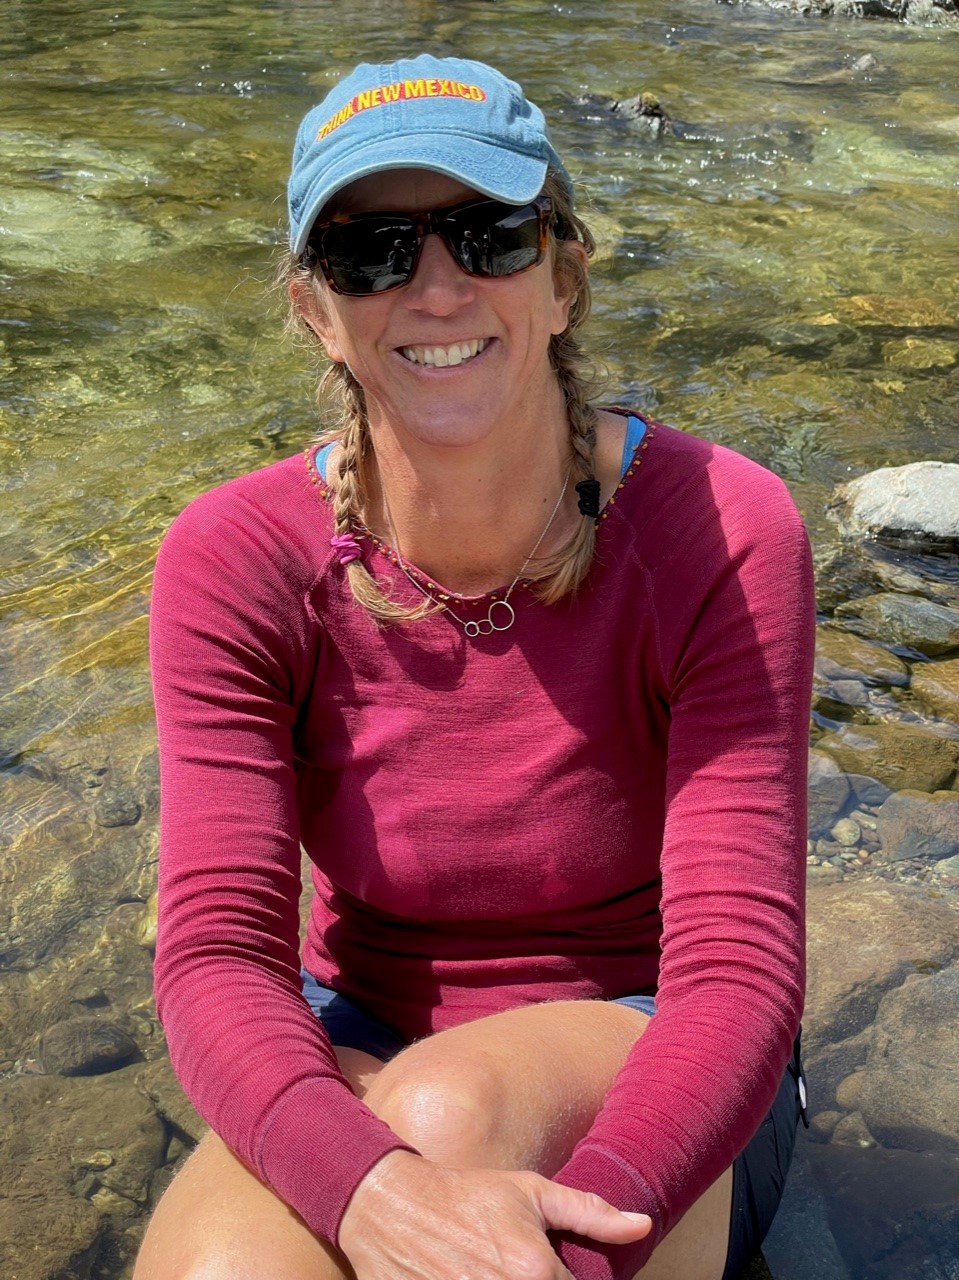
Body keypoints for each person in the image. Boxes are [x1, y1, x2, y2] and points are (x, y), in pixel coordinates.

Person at [137, 54, 814, 1280]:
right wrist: (375, 1194)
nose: (438, 287)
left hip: (672, 1062)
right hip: (364, 1041)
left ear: (559, 277)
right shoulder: (230, 558)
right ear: (314, 310)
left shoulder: (722, 527)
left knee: (452, 1103)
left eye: (487, 234)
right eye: (371, 252)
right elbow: (220, 955)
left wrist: (568, 1247)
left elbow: (735, 974)